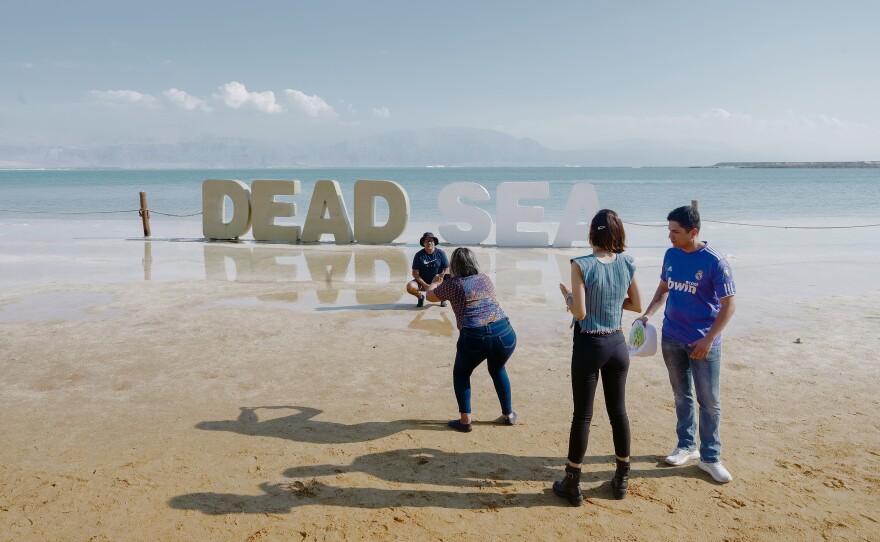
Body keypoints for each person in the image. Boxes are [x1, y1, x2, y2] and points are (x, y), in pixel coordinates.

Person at [636, 205, 736, 483]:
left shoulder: (715, 262)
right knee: (681, 395)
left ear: (694, 232)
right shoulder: (671, 254)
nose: (670, 236)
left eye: (675, 232)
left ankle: (711, 457)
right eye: (669, 230)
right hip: (671, 337)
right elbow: (663, 289)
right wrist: (646, 315)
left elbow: (729, 306)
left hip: (703, 341)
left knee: (710, 401)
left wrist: (709, 338)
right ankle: (686, 446)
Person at [552, 209, 642, 506]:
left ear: (591, 233)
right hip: (617, 343)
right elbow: (636, 304)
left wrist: (568, 298)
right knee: (619, 412)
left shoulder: (581, 264)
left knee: (583, 416)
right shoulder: (627, 262)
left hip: (590, 344)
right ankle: (622, 478)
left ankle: (573, 483)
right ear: (618, 233)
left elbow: (580, 313)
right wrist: (611, 300)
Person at [424, 247, 517, 432]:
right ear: (474, 262)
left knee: (461, 374)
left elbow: (429, 296)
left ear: (454, 266)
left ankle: (465, 421)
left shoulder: (453, 284)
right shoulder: (485, 279)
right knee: (498, 368)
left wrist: (435, 282)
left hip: (475, 336)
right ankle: (508, 414)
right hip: (504, 332)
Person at [407, 232, 449, 308]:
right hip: (423, 282)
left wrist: (441, 277)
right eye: (426, 241)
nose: (429, 242)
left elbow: (447, 268)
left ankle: (443, 298)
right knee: (410, 287)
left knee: (451, 280)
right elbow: (414, 273)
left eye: (431, 240)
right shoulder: (419, 255)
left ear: (434, 243)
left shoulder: (441, 253)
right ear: (423, 243)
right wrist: (424, 284)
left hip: (438, 282)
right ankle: (420, 297)